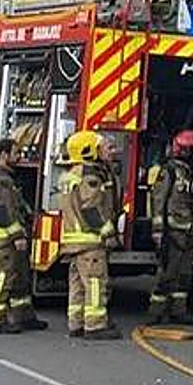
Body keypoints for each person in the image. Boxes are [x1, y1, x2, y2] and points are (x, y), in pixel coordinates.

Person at [0, 138, 47, 334]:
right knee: (3, 277)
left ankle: (22, 315)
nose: (19, 156)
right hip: (4, 236)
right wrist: (17, 235)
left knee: (16, 276)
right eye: (15, 152)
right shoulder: (1, 178)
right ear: (4, 155)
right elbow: (3, 209)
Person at [59, 130, 121, 340]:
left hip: (74, 241)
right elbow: (91, 209)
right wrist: (108, 232)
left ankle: (76, 323)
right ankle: (95, 325)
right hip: (90, 241)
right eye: (103, 147)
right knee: (95, 282)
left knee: (77, 285)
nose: (110, 151)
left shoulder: (72, 174)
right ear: (89, 150)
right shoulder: (90, 176)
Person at [147, 130, 193, 325]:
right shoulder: (169, 171)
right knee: (167, 274)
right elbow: (158, 201)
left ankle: (178, 311)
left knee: (184, 275)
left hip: (190, 232)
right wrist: (158, 231)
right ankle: (156, 313)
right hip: (173, 232)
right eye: (192, 149)